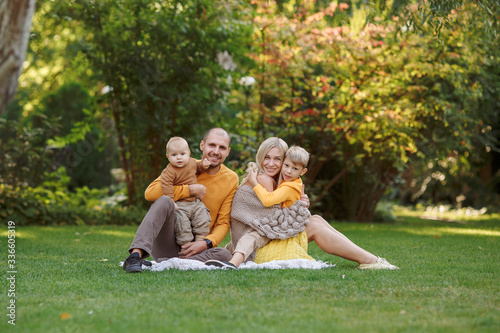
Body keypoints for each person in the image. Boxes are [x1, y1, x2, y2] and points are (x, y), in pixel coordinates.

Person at [218, 137, 398, 270]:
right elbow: (272, 221)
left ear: (285, 161)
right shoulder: (263, 180)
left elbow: (278, 215)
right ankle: (370, 260)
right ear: (260, 157)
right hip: (256, 250)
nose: (271, 163)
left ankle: (370, 259)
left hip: (263, 242)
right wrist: (298, 209)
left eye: (277, 159)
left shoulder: (275, 182)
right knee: (313, 224)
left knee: (316, 219)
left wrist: (298, 205)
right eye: (267, 157)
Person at [122, 128, 238, 273]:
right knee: (165, 200)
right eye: (212, 145)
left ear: (228, 152)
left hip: (197, 248)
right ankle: (135, 256)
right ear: (202, 145)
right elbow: (150, 193)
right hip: (168, 240)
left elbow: (223, 222)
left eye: (222, 148)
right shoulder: (183, 163)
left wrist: (205, 243)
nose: (216, 151)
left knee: (225, 254)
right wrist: (190, 190)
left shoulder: (231, 179)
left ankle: (171, 262)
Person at [205, 145, 310, 269]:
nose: (288, 171)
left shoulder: (288, 185)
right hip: (271, 228)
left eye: (277, 159)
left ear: (302, 171)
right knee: (317, 221)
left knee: (251, 237)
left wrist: (254, 182)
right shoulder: (290, 182)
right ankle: (227, 258)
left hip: (274, 229)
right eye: (286, 166)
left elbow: (268, 201)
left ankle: (233, 263)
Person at [160, 136, 211, 246]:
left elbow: (197, 168)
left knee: (203, 217)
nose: (179, 158)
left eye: (182, 154)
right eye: (174, 155)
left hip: (195, 202)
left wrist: (203, 165)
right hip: (180, 204)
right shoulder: (169, 171)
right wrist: (171, 201)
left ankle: (199, 241)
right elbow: (166, 185)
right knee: (181, 223)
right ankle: (186, 245)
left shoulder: (191, 162)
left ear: (188, 153)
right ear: (168, 157)